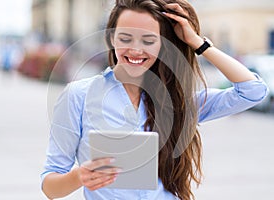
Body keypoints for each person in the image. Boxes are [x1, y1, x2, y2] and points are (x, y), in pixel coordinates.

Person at [41, 0, 268, 199]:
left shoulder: (180, 102)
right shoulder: (78, 96)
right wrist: (79, 176)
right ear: (111, 38)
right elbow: (50, 187)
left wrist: (199, 43)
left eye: (149, 40)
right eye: (126, 38)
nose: (136, 49)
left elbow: (252, 91)